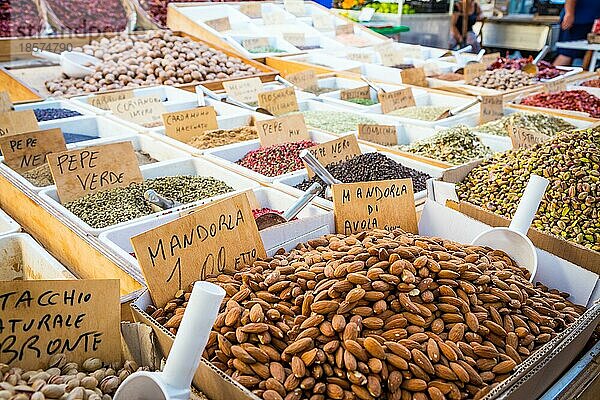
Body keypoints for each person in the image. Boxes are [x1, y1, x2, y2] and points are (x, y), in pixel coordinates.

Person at [554, 0, 600, 66]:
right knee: (566, 55)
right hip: (578, 20)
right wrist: (569, 13)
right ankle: (549, 74)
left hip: (592, 20)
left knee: (589, 55)